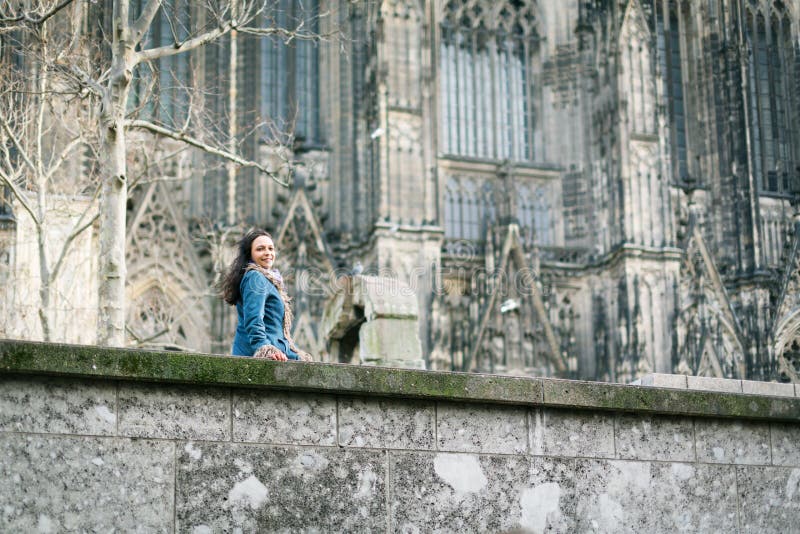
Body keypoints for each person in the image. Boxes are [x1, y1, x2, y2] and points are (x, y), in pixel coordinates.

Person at [220, 228, 311, 361]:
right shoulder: (255, 277)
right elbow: (253, 319)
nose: (268, 253)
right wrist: (265, 349)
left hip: (278, 350)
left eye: (271, 248)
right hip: (257, 352)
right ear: (249, 254)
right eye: (260, 249)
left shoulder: (268, 279)